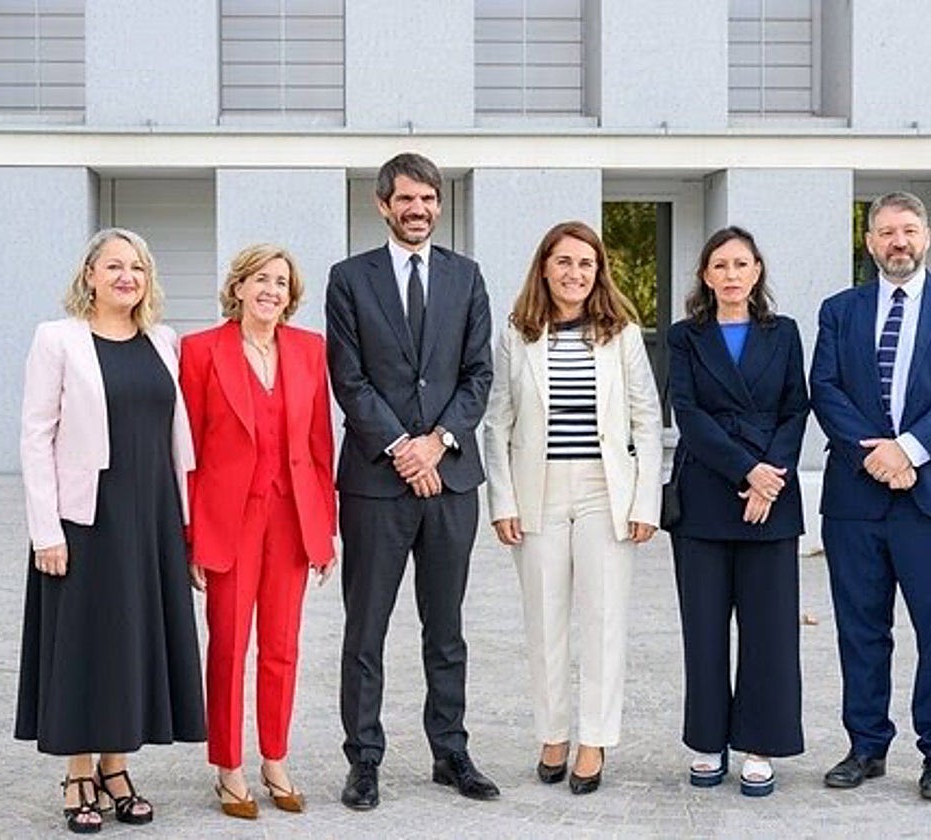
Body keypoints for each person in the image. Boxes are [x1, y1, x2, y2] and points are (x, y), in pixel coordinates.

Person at [15, 228, 206, 833]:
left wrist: (187, 524)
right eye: (115, 266)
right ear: (90, 275)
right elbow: (35, 436)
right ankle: (78, 770)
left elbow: (179, 436)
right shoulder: (58, 339)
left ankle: (117, 766)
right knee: (84, 643)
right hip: (84, 518)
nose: (128, 277)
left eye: (139, 269)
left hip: (150, 515)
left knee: (131, 641)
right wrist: (47, 530)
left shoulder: (164, 340)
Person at [325, 152, 497, 809]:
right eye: (406, 200)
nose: (419, 210)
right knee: (366, 628)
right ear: (383, 204)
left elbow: (477, 373)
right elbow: (348, 377)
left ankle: (450, 752)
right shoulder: (349, 279)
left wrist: (437, 444)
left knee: (446, 628)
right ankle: (364, 759)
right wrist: (403, 447)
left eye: (428, 199)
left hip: (451, 481)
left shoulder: (467, 276)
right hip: (376, 482)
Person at [810, 192, 931, 802]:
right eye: (886, 231)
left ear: (927, 237)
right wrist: (876, 456)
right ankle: (866, 745)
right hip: (856, 499)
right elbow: (826, 388)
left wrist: (909, 450)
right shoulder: (840, 310)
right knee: (861, 629)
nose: (898, 242)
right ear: (868, 241)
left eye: (909, 230)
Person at [484, 220, 662, 795]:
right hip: (536, 490)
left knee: (604, 622)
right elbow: (498, 421)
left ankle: (594, 740)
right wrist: (502, 499)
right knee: (545, 623)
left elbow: (646, 421)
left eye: (586, 264)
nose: (575, 274)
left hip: (603, 491)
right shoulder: (518, 332)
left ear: (598, 271)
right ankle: (553, 733)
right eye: (564, 262)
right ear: (544, 268)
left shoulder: (622, 333)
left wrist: (645, 500)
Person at [179, 244, 337, 819]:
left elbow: (321, 444)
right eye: (261, 279)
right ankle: (229, 765)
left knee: (282, 647)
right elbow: (188, 450)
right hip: (229, 521)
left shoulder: (308, 349)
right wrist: (191, 533)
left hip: (291, 519)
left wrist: (326, 529)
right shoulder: (199, 352)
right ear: (239, 286)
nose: (272, 290)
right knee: (228, 646)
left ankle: (274, 757)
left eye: (282, 282)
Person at [664, 226, 809, 797]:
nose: (730, 274)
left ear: (757, 273)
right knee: (703, 627)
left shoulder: (785, 334)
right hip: (706, 494)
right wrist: (745, 471)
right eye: (720, 265)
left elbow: (796, 407)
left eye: (741, 264)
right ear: (705, 275)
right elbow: (688, 413)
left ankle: (760, 744)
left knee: (770, 630)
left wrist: (768, 477)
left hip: (772, 497)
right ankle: (707, 740)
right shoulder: (684, 337)